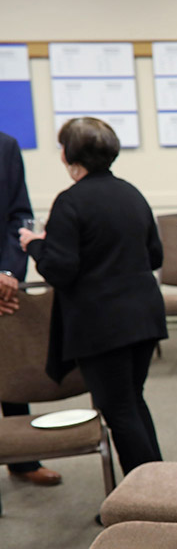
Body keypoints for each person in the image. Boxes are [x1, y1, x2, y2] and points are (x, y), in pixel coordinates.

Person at [20, 118, 167, 477]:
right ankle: (159, 484)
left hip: (102, 324)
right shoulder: (131, 193)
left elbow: (60, 271)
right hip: (144, 316)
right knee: (132, 401)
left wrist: (35, 244)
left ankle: (144, 498)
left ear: (69, 155)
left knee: (119, 410)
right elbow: (155, 257)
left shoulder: (70, 202)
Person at [1, 130, 61, 486]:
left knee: (11, 365)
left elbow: (19, 215)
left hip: (3, 284)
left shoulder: (6, 146)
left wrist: (8, 272)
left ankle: (22, 462)